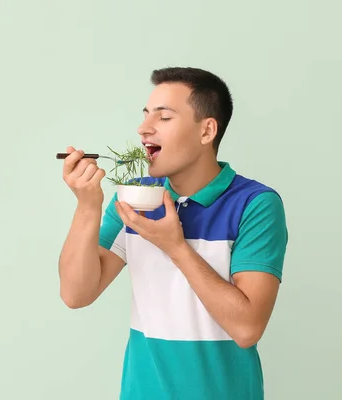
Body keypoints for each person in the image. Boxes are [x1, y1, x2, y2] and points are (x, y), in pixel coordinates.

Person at [58, 66, 288, 399]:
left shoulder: (255, 204)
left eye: (164, 118)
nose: (144, 129)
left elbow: (247, 328)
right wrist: (87, 205)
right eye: (145, 115)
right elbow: (76, 294)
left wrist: (176, 247)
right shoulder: (134, 196)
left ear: (207, 131)